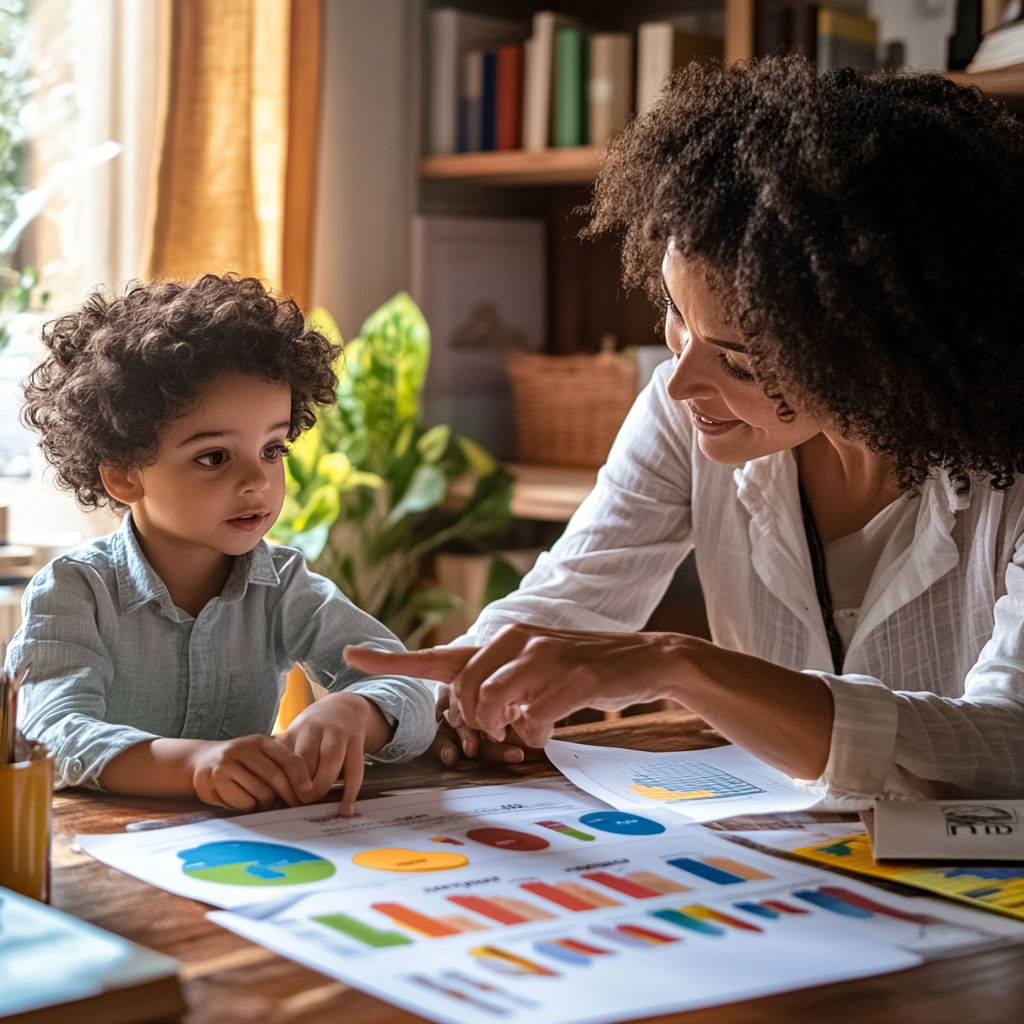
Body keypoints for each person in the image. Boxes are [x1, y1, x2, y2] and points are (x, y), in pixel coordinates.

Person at [347, 57, 1024, 803]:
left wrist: (679, 663)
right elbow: (569, 599)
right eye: (674, 313)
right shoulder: (688, 410)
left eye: (736, 356)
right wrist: (416, 706)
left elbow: (1007, 742)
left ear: (877, 348)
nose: (679, 381)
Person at [7, 275, 435, 815]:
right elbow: (48, 731)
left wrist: (355, 710)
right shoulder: (75, 590)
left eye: (272, 449)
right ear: (123, 476)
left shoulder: (283, 586)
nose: (258, 481)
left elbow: (411, 683)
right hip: (97, 850)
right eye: (214, 457)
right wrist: (193, 765)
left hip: (243, 850)